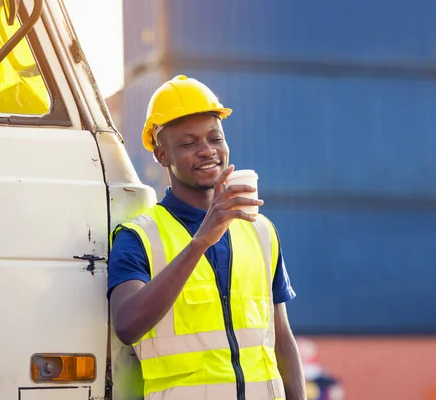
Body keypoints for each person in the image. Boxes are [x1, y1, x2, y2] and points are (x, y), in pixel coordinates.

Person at [107, 75, 307, 400]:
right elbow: (127, 326)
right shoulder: (137, 237)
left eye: (215, 138)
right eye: (188, 144)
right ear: (162, 156)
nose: (207, 151)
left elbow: (281, 339)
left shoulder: (261, 230)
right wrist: (200, 240)